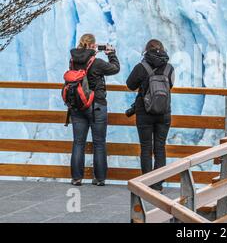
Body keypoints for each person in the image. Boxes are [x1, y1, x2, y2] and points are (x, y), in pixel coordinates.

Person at [69, 34, 120, 186]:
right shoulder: (96, 62)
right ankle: (99, 178)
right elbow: (115, 69)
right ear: (92, 46)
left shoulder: (73, 61)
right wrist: (111, 54)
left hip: (77, 106)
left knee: (78, 142)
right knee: (99, 142)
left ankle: (77, 178)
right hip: (96, 105)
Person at [126, 39, 175, 192]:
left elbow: (130, 85)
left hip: (144, 112)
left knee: (146, 147)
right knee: (160, 147)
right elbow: (170, 85)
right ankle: (158, 183)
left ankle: (146, 184)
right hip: (163, 112)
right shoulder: (169, 68)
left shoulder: (141, 67)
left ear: (146, 50)